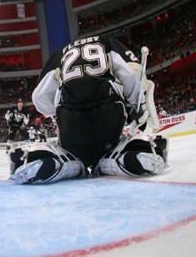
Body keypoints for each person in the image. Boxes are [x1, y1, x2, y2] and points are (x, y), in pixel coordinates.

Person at [10, 36, 168, 184]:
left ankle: (62, 161)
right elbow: (133, 76)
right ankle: (122, 155)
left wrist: (56, 111)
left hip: (71, 122)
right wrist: (136, 107)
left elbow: (39, 98)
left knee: (73, 153)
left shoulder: (59, 54)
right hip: (108, 115)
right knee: (111, 146)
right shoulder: (108, 43)